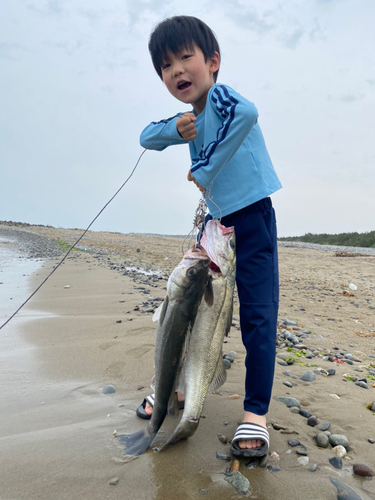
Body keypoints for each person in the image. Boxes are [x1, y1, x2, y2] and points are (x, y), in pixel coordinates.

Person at [137, 15, 282, 458]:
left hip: (252, 220)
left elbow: (248, 113)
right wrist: (174, 129)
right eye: (166, 65)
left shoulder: (220, 98)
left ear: (213, 61)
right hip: (214, 224)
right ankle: (178, 388)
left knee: (259, 317)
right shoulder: (192, 118)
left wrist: (206, 166)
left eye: (186, 57)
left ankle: (255, 413)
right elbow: (146, 137)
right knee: (187, 313)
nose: (177, 70)